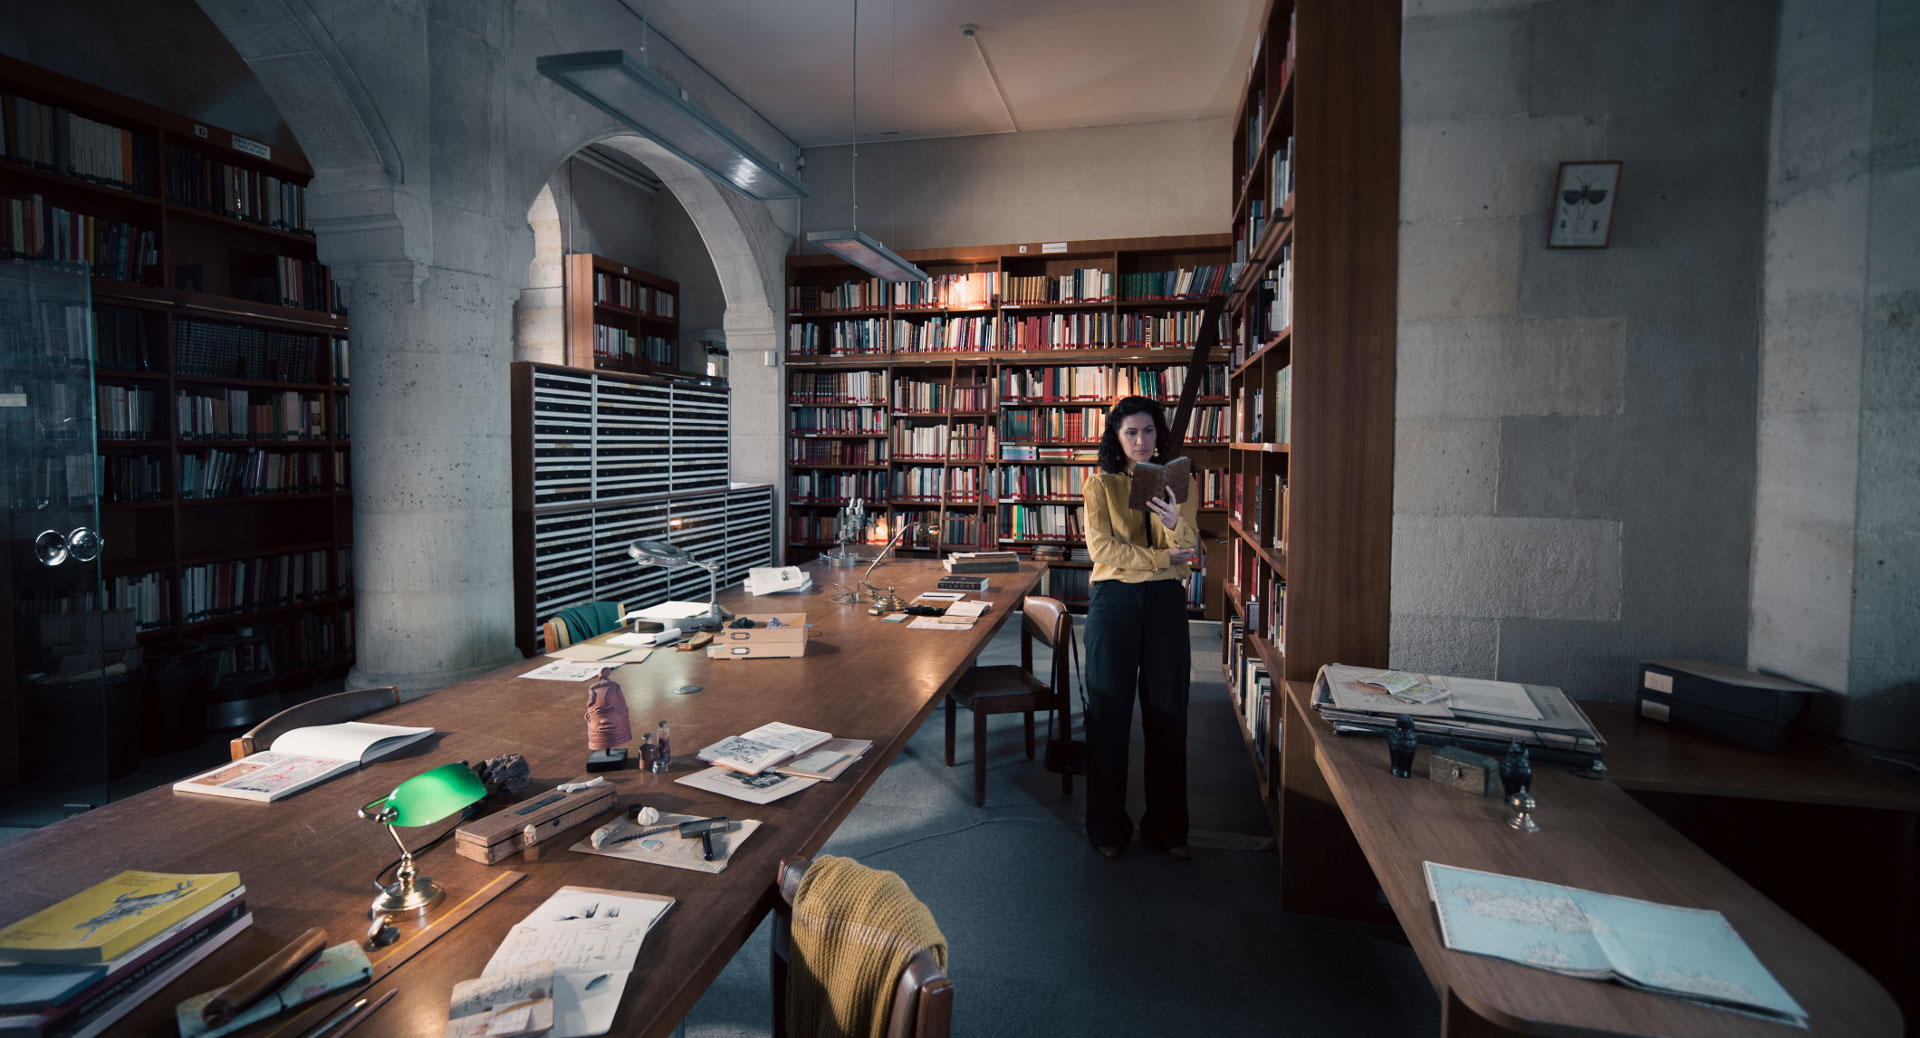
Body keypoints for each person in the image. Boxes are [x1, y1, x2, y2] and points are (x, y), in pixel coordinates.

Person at [1079, 395, 1199, 861]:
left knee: (1168, 713)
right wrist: (1161, 558)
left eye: (1148, 431)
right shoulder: (1101, 486)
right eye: (1131, 432)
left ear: (1158, 434)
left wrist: (1172, 526)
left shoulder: (1178, 482)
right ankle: (1108, 827)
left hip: (1166, 603)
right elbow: (1102, 551)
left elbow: (1188, 551)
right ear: (1116, 437)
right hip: (1115, 602)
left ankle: (1168, 828)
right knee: (1108, 714)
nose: (1141, 441)